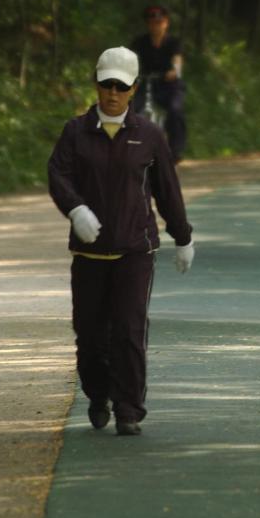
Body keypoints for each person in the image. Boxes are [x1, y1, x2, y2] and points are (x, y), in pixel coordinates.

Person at [48, 46, 195, 436]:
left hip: (135, 249)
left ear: (132, 90)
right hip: (89, 252)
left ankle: (129, 408)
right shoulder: (76, 132)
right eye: (106, 84)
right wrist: (76, 209)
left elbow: (167, 189)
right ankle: (98, 395)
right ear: (96, 85)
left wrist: (182, 236)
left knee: (129, 329)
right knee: (91, 334)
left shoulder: (148, 135)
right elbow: (58, 176)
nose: (112, 93)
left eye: (121, 86)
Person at [131, 4, 187, 163]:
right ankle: (126, 147)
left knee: (175, 110)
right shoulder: (140, 42)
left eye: (160, 21)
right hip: (146, 82)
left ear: (166, 23)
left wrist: (174, 71)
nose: (156, 25)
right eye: (152, 22)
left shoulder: (173, 42)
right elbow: (130, 58)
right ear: (148, 24)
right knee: (131, 109)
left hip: (170, 84)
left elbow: (178, 60)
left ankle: (176, 150)